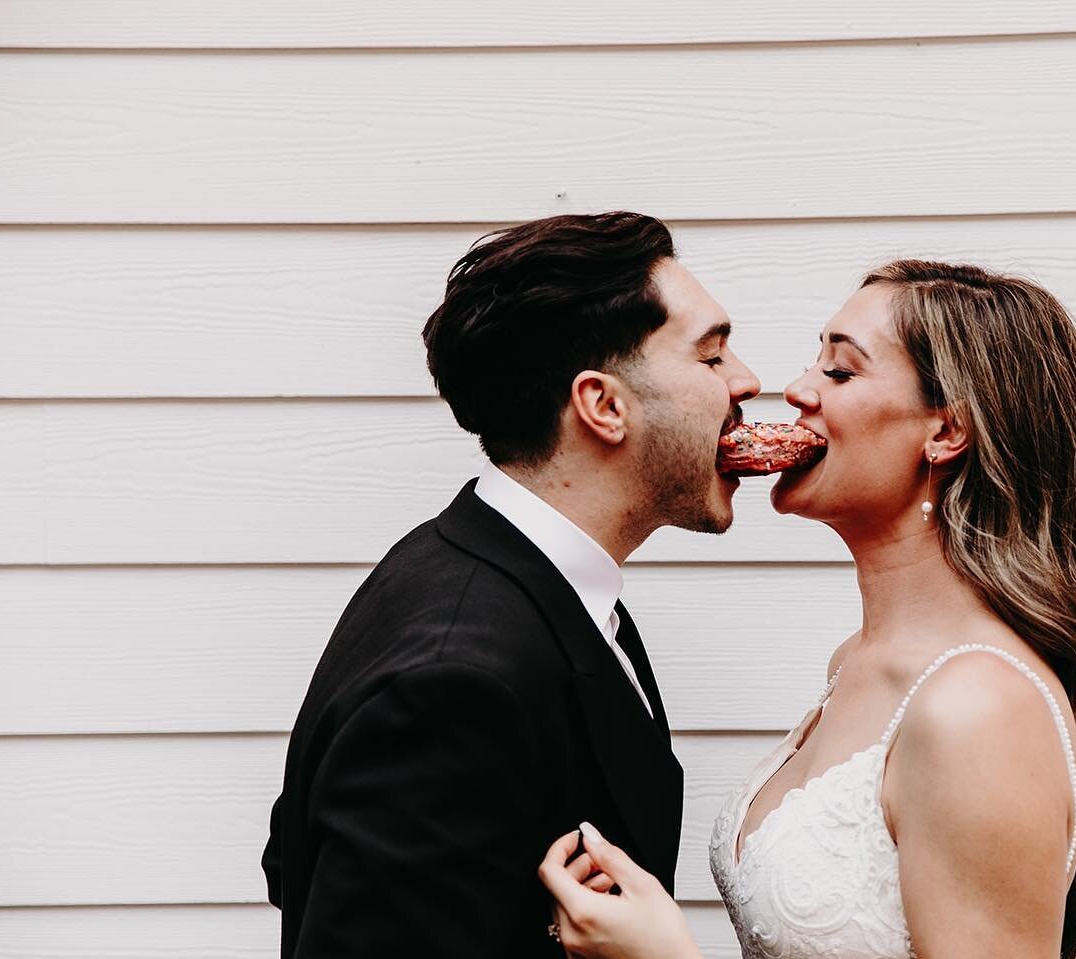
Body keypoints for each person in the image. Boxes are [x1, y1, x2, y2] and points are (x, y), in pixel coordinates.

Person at [539, 261, 1076, 959]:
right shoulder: (855, 663)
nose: (794, 390)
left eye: (840, 372)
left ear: (947, 432)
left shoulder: (977, 709)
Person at [261, 211, 761, 957]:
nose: (748, 381)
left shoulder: (511, 572)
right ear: (603, 405)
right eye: (712, 357)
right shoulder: (452, 683)